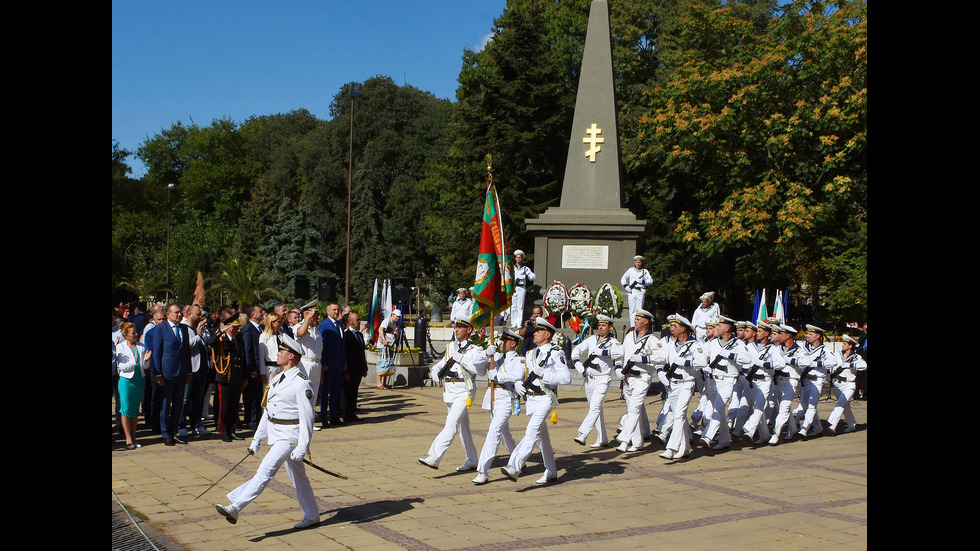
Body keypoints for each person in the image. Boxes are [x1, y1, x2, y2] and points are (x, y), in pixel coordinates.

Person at [215, 334, 320, 530]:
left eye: (281, 351)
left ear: (291, 357)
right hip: (276, 431)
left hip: (290, 436)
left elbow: (308, 417)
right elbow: (268, 410)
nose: (278, 354)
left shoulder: (301, 382)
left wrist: (303, 446)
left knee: (264, 472)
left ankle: (236, 506)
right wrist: (257, 438)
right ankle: (312, 514)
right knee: (299, 478)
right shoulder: (278, 377)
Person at [501, 317, 571, 484]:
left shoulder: (555, 353)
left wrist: (545, 374)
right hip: (532, 399)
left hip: (546, 397)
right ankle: (551, 471)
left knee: (531, 432)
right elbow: (524, 374)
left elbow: (566, 378)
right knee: (542, 438)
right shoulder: (531, 353)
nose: (535, 333)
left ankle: (515, 466)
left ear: (547, 334)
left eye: (538, 331)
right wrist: (518, 383)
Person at [419, 315, 489, 471]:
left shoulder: (475, 349)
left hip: (464, 391)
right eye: (456, 326)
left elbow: (478, 370)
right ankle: (472, 459)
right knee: (462, 428)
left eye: (460, 327)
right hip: (450, 391)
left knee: (450, 425)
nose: (456, 329)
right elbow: (441, 364)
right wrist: (435, 373)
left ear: (469, 330)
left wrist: (461, 358)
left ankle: (434, 457)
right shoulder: (451, 347)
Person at [472, 327, 524, 485]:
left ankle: (483, 471)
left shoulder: (518, 360)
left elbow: (518, 375)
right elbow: (476, 364)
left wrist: (498, 376)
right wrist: (486, 353)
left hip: (506, 399)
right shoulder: (496, 358)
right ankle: (518, 459)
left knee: (493, 433)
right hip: (493, 399)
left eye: (504, 341)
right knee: (504, 433)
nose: (501, 343)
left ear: (513, 344)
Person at [658, 314, 706, 460]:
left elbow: (702, 362)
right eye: (671, 326)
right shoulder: (671, 344)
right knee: (680, 416)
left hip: (686, 383)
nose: (671, 328)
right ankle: (684, 448)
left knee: (678, 415)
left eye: (674, 326)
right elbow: (661, 359)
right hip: (672, 384)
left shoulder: (695, 345)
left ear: (683, 328)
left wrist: (686, 362)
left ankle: (671, 448)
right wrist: (660, 372)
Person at [614, 309, 663, 452]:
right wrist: (618, 367)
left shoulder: (653, 340)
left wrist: (643, 359)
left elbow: (661, 357)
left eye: (638, 319)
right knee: (633, 410)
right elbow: (621, 353)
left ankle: (624, 440)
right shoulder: (629, 336)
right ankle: (637, 442)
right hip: (628, 377)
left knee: (634, 410)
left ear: (646, 321)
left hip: (642, 378)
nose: (635, 321)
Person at [571, 315, 623, 449]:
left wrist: (603, 352)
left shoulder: (614, 342)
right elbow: (576, 350)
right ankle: (602, 438)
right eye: (599, 325)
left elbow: (620, 353)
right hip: (589, 379)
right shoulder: (592, 339)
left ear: (610, 327)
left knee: (594, 407)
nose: (600, 327)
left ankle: (583, 434)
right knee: (596, 409)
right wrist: (577, 364)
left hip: (603, 379)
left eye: (603, 325)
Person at [149, 303, 193, 446]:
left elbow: (187, 352)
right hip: (167, 373)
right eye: (176, 312)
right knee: (165, 404)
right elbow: (157, 353)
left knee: (178, 404)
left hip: (181, 372)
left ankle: (174, 432)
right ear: (168, 314)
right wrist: (158, 374)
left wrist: (188, 371)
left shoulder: (184, 329)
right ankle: (166, 433)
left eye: (180, 312)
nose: (179, 315)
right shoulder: (160, 329)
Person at [738, 321, 784, 445]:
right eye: (757, 331)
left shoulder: (772, 349)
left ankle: (749, 431)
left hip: (764, 381)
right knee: (748, 406)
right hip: (751, 381)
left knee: (759, 407)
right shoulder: (750, 346)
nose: (757, 333)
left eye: (760, 331)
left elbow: (780, 364)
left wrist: (765, 364)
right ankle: (764, 435)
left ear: (767, 333)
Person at [791, 325, 839, 439]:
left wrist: (816, 364)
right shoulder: (803, 348)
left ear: (818, 336)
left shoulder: (824, 350)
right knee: (805, 405)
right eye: (808, 333)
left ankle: (804, 428)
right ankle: (818, 428)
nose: (807, 336)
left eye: (811, 334)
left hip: (816, 381)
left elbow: (833, 362)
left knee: (812, 406)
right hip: (805, 380)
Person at [209, 311, 247, 442]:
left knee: (233, 405)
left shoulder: (239, 338)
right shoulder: (221, 338)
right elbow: (210, 342)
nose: (237, 329)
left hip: (237, 377)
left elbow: (243, 359)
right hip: (224, 376)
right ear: (229, 327)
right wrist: (221, 330)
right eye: (235, 326)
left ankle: (232, 429)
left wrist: (244, 377)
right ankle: (223, 430)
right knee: (223, 407)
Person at [116, 322, 151, 450]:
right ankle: (128, 439)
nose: (136, 334)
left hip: (139, 380)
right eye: (133, 333)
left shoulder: (141, 346)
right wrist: (133, 361)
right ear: (126, 335)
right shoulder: (121, 347)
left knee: (135, 410)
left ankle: (134, 437)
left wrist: (146, 360)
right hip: (126, 381)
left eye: (136, 332)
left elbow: (144, 366)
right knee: (126, 408)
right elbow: (121, 367)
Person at [179, 304, 211, 438]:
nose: (200, 317)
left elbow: (206, 343)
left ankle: (197, 424)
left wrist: (202, 333)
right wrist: (198, 335)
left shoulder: (197, 328)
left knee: (198, 399)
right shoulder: (183, 328)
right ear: (189, 314)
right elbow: (185, 345)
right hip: (190, 369)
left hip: (201, 369)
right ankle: (181, 425)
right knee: (185, 399)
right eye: (198, 315)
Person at [826, 334, 866, 435]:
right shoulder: (836, 354)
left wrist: (848, 365)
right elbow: (828, 363)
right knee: (845, 406)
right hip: (837, 384)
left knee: (840, 405)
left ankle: (831, 425)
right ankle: (851, 425)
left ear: (850, 346)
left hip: (849, 385)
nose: (842, 345)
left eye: (844, 344)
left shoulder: (856, 357)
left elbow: (863, 366)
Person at [769, 324, 802, 445]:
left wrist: (790, 360)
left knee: (783, 408)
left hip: (790, 382)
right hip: (777, 381)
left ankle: (776, 433)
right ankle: (793, 429)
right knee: (784, 408)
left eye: (782, 334)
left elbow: (806, 362)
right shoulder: (777, 349)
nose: (779, 336)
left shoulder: (799, 350)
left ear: (788, 336)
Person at [318, 301, 347, 428]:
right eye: (333, 310)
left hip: (338, 364)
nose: (336, 312)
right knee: (326, 392)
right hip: (329, 364)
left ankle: (334, 416)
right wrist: (324, 362)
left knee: (336, 391)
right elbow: (322, 345)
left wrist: (344, 361)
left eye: (337, 309)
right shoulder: (324, 325)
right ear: (327, 311)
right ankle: (324, 418)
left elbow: (342, 345)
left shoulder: (339, 324)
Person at [293, 307, 323, 430]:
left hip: (317, 363)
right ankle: (301, 422)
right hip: (305, 363)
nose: (317, 317)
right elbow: (300, 333)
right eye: (314, 314)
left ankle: (310, 421)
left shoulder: (316, 328)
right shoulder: (299, 326)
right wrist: (306, 319)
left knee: (314, 394)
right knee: (305, 393)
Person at [241, 304, 268, 431]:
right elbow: (248, 350)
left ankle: (258, 419)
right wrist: (250, 368)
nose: (262, 313)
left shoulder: (262, 328)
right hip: (254, 368)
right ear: (253, 314)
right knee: (251, 396)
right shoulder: (248, 329)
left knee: (259, 396)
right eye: (259, 312)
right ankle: (250, 420)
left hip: (262, 366)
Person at [341, 310, 368, 422]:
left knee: (354, 391)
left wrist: (364, 367)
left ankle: (352, 412)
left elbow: (362, 352)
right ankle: (345, 414)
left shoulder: (359, 334)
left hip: (358, 369)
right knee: (347, 392)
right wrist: (345, 371)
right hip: (349, 369)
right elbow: (345, 353)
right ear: (350, 321)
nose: (359, 321)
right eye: (357, 320)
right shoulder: (346, 335)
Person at [620, 256, 653, 328]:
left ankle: (638, 326)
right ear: (635, 262)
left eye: (639, 262)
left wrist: (643, 281)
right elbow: (623, 279)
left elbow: (650, 281)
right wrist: (626, 287)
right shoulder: (630, 270)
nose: (638, 264)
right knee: (632, 311)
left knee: (639, 311)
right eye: (637, 262)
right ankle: (632, 326)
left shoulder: (645, 271)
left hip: (640, 292)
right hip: (632, 291)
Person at [509, 250, 536, 329]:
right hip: (514, 288)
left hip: (521, 288)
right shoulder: (512, 268)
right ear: (515, 258)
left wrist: (525, 277)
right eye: (517, 257)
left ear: (522, 258)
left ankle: (518, 322)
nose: (518, 259)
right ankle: (513, 322)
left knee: (520, 306)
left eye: (520, 257)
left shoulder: (525, 269)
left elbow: (533, 276)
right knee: (513, 306)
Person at [376, 310, 401, 389]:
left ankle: (384, 383)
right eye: (397, 316)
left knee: (388, 363)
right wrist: (383, 340)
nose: (398, 318)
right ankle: (378, 382)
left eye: (399, 317)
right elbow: (380, 329)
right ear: (392, 315)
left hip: (390, 345)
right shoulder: (386, 321)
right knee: (383, 362)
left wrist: (397, 331)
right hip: (383, 345)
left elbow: (396, 337)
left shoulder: (395, 325)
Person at [259, 313, 284, 387]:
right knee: (269, 390)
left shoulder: (281, 335)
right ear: (272, 322)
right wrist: (263, 373)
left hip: (281, 367)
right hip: (270, 368)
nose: (280, 324)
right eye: (278, 322)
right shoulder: (264, 336)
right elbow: (261, 356)